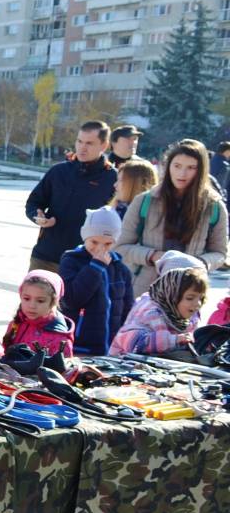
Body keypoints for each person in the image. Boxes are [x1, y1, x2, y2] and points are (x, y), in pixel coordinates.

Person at [113, 139, 228, 297]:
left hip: (188, 294)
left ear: (201, 170)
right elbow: (121, 247)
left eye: (191, 168)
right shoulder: (145, 201)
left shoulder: (214, 207)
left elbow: (220, 254)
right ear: (168, 166)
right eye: (177, 166)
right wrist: (153, 256)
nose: (182, 173)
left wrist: (198, 263)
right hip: (143, 293)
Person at [24, 120, 117, 273]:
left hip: (85, 261)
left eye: (89, 143)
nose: (82, 148)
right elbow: (34, 203)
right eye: (79, 141)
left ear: (104, 145)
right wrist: (38, 216)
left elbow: (118, 221)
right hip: (45, 256)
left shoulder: (112, 178)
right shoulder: (58, 171)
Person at [58, 207, 134, 355]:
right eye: (94, 241)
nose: (100, 248)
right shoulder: (72, 261)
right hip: (79, 346)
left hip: (111, 347)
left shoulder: (121, 269)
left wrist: (123, 340)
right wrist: (95, 267)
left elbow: (127, 309)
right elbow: (71, 299)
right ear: (85, 236)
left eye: (107, 244)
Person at [110, 265, 207, 358]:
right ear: (171, 295)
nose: (197, 303)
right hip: (121, 364)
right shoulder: (151, 312)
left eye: (201, 298)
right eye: (190, 298)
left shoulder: (188, 316)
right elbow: (135, 343)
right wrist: (174, 340)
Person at [2, 270, 75, 357]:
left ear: (53, 302)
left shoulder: (60, 339)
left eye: (40, 301)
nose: (32, 306)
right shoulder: (16, 324)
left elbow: (62, 369)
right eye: (26, 298)